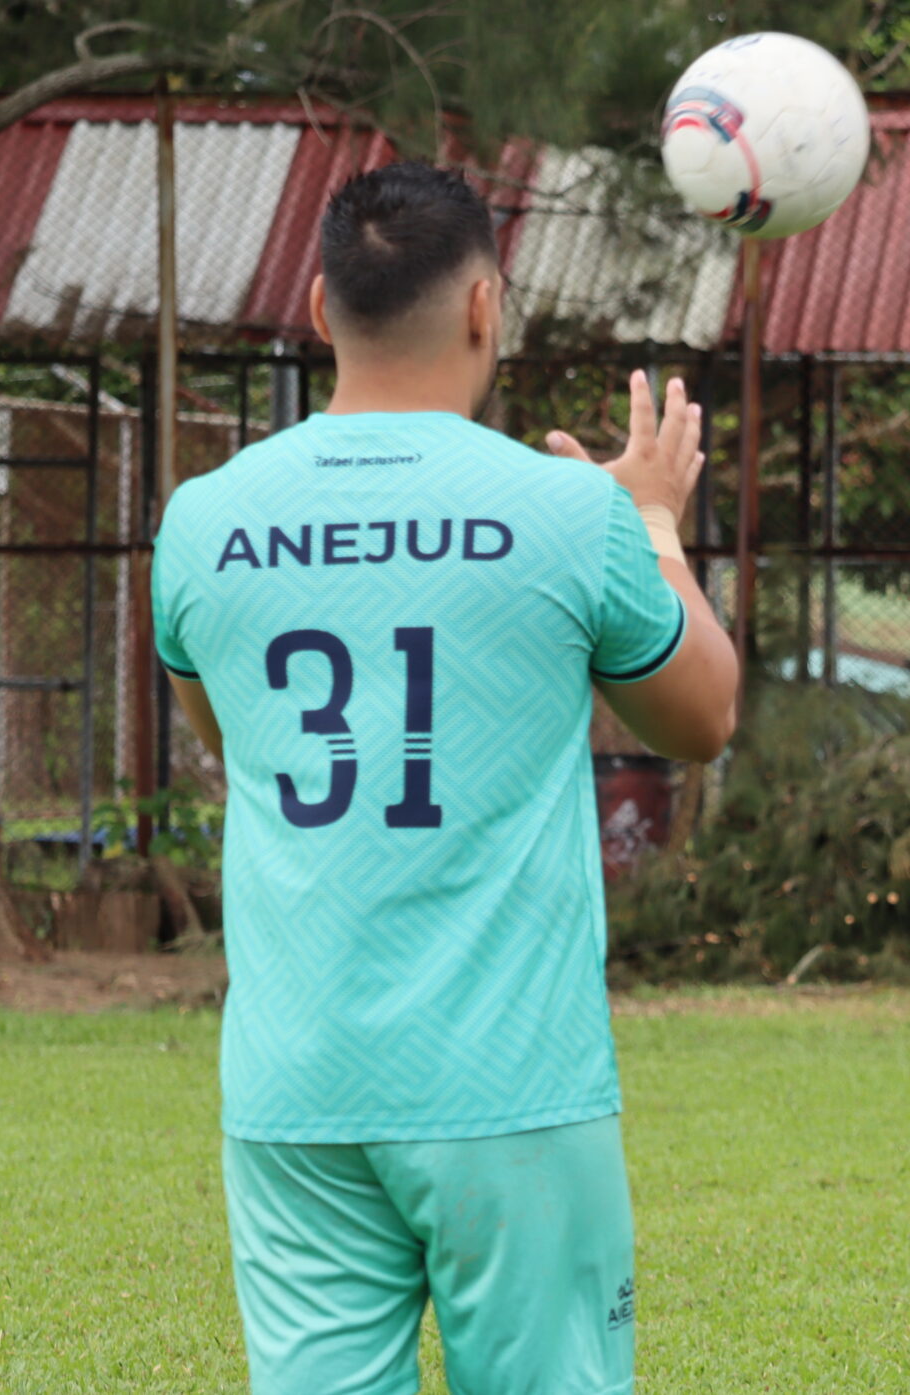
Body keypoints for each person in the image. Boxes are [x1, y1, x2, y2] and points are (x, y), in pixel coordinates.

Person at [155, 160, 739, 1395]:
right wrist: (651, 524)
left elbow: (231, 732)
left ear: (320, 309)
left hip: (297, 1090)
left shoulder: (203, 521)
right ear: (485, 307)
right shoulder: (568, 513)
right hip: (512, 1086)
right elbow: (702, 716)